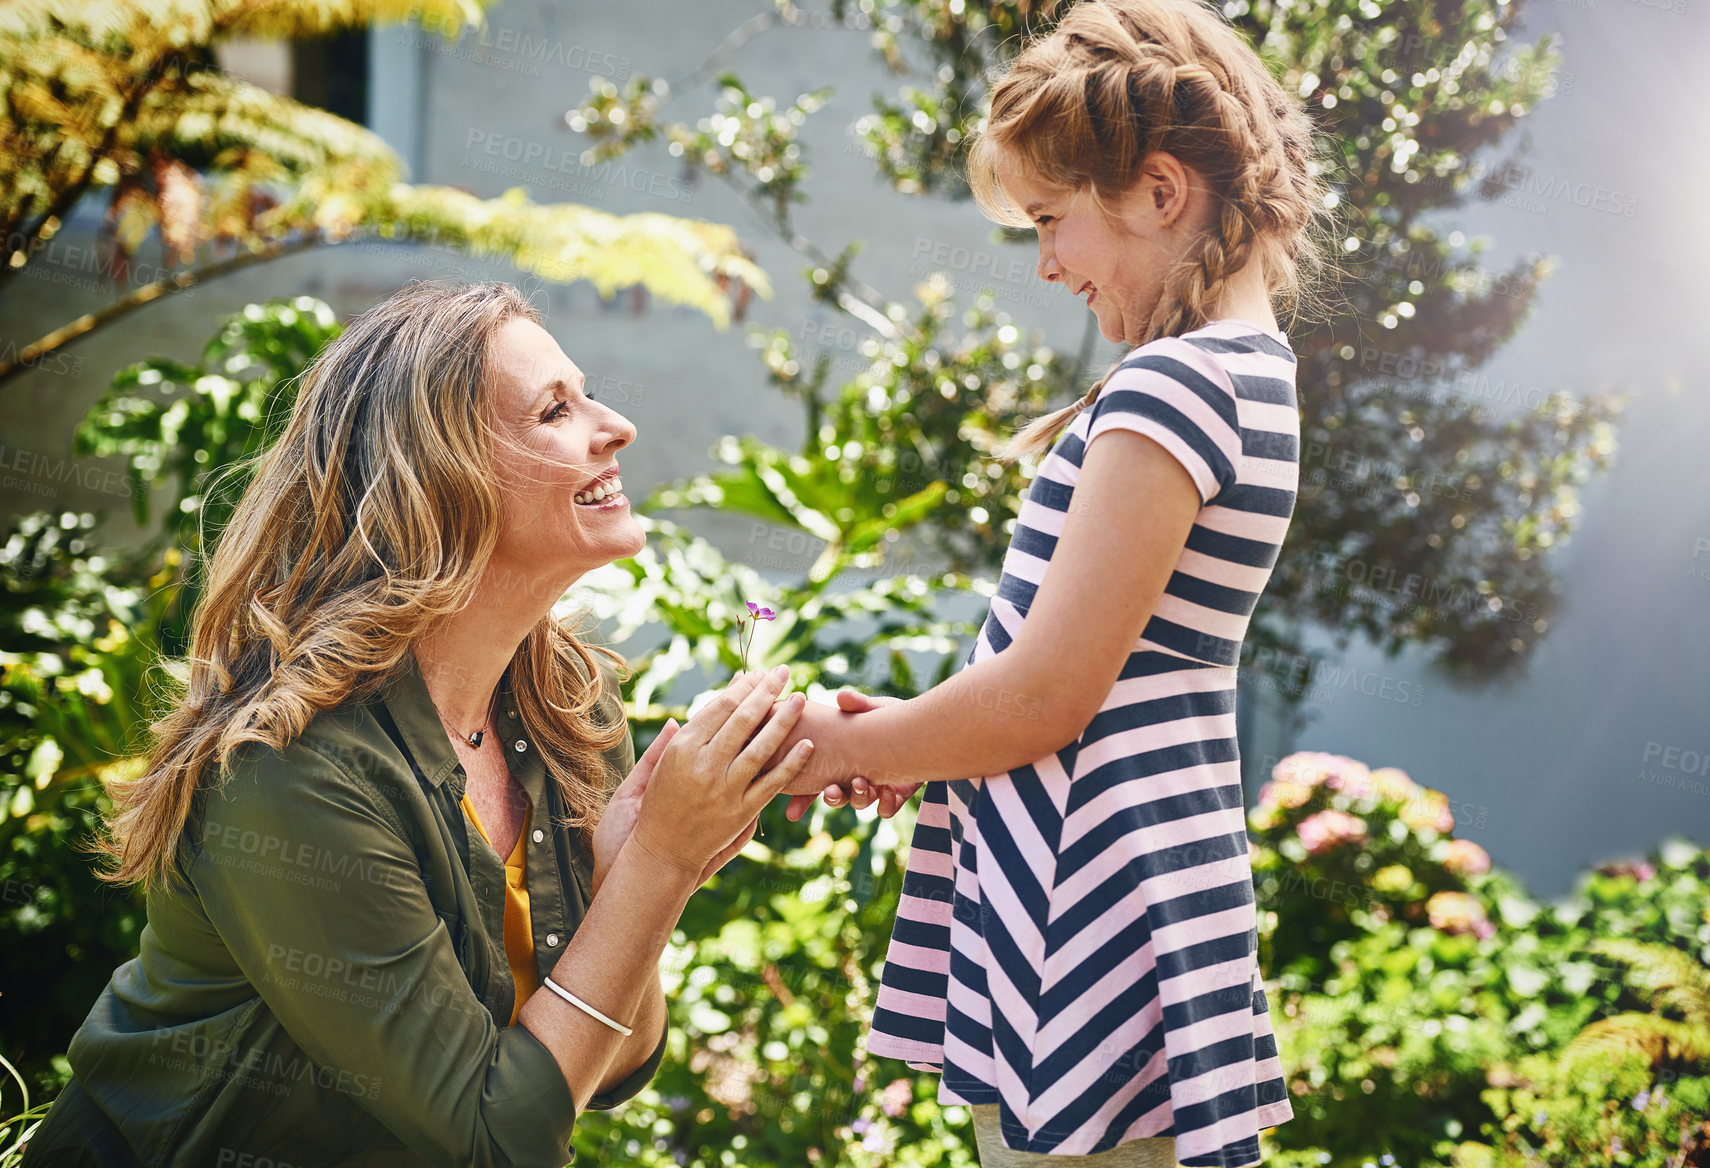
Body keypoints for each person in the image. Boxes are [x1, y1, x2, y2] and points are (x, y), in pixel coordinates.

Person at [20, 281, 823, 1168]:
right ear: (440, 476)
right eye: (556, 410)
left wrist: (630, 874)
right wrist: (663, 865)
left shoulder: (564, 706)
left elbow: (617, 1065)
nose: (615, 426)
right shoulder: (292, 769)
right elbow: (497, 1141)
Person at [775, 0, 1335, 1163]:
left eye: (1051, 219)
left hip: (1086, 918)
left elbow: (1046, 699)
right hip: (1145, 891)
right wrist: (917, 735)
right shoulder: (1250, 375)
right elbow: (1093, 674)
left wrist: (844, 748)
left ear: (1161, 191)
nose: (1045, 264)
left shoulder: (1170, 390)